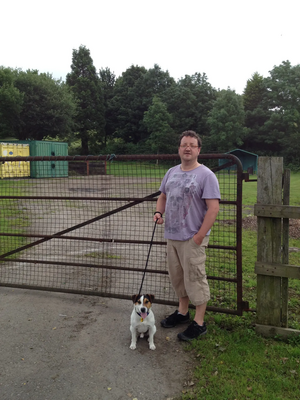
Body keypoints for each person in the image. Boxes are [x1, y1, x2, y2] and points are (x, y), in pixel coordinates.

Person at [153, 130, 220, 341]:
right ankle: (182, 313)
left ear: (199, 150)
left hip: (192, 238)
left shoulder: (206, 175)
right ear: (179, 149)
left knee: (195, 279)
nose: (188, 148)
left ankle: (199, 323)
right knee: (178, 278)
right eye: (184, 144)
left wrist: (199, 236)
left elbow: (213, 209)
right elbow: (162, 196)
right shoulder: (171, 172)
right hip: (172, 236)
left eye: (192, 144)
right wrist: (158, 212)